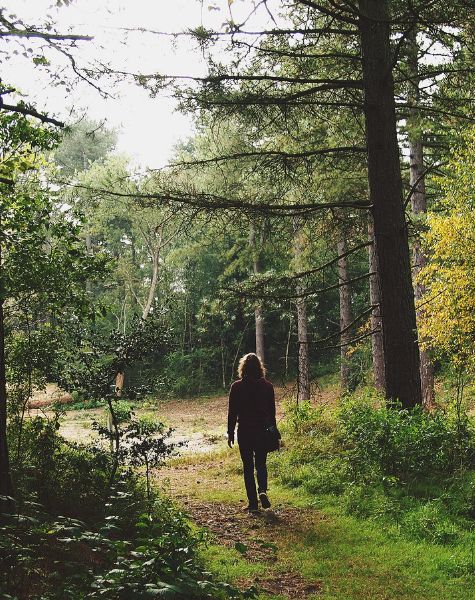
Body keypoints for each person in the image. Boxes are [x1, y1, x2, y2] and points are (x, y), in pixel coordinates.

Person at [227, 352, 276, 512]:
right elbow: (272, 413)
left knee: (248, 466)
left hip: (245, 431)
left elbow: (232, 413)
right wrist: (274, 433)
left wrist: (230, 432)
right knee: (261, 463)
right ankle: (262, 490)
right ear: (259, 368)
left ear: (243, 368)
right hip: (262, 431)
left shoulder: (237, 387)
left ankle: (253, 504)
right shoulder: (268, 387)